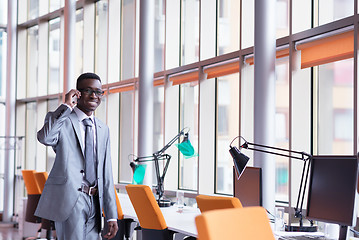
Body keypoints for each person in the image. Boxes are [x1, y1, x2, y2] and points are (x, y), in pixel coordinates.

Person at [35, 72, 118, 240]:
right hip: (70, 199)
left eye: (98, 92)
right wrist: (66, 106)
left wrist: (111, 215)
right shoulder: (63, 119)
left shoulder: (103, 129)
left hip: (95, 201)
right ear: (77, 93)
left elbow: (106, 173)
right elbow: (45, 137)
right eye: (88, 91)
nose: (94, 95)